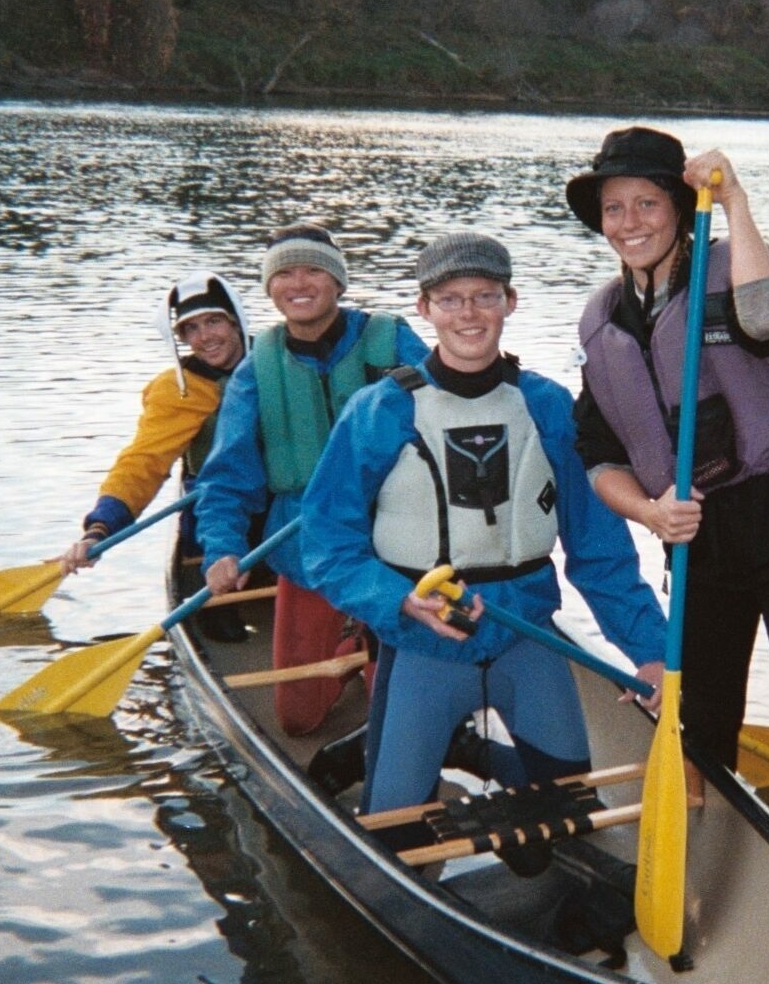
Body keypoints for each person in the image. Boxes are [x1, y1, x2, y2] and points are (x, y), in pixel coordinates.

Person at [564, 126, 769, 900]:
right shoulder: (601, 322)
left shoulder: (737, 265)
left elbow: (768, 323)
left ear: (680, 206)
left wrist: (734, 202)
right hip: (699, 548)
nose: (630, 221)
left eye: (647, 202)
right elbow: (600, 456)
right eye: (614, 207)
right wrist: (651, 512)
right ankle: (705, 887)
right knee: (703, 731)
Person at [297, 231, 667, 826]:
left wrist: (651, 651)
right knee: (396, 839)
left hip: (528, 640)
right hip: (423, 646)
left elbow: (600, 552)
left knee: (567, 821)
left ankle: (477, 755)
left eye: (485, 296)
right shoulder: (378, 410)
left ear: (510, 302)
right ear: (424, 309)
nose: (468, 314)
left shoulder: (548, 407)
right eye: (449, 299)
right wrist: (395, 600)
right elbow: (326, 542)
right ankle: (428, 755)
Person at [195, 223, 430, 734]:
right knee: (297, 720)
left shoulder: (392, 340)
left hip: (399, 545)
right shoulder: (257, 368)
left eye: (313, 270)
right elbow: (227, 476)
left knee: (400, 706)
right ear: (269, 288)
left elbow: (450, 418)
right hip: (308, 548)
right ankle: (351, 645)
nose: (298, 283)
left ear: (338, 282)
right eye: (284, 273)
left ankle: (373, 652)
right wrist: (220, 548)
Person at [59, 271, 251, 638]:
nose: (205, 337)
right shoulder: (177, 391)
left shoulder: (279, 363)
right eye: (191, 330)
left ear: (236, 322)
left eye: (214, 321)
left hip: (283, 505)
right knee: (223, 632)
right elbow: (143, 463)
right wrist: (100, 528)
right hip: (213, 510)